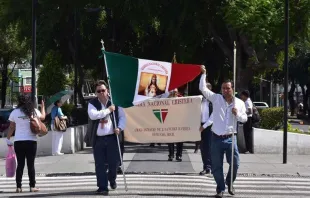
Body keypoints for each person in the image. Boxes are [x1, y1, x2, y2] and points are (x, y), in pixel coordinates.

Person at [199, 65, 247, 198]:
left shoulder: (239, 103)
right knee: (216, 166)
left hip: (231, 137)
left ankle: (229, 182)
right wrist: (204, 73)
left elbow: (244, 119)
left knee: (235, 163)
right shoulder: (216, 99)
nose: (225, 90)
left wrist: (237, 114)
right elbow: (203, 89)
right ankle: (220, 188)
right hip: (216, 137)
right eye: (223, 88)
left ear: (233, 89)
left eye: (228, 88)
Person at [86, 80, 126, 195]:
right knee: (100, 164)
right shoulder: (92, 103)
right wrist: (108, 110)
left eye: (103, 90)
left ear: (107, 91)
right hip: (98, 139)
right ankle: (102, 186)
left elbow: (123, 117)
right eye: (99, 91)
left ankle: (112, 178)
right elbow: (93, 115)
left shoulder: (115, 102)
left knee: (114, 163)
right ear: (96, 92)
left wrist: (119, 127)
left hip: (112, 138)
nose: (101, 93)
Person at [6, 94, 46, 193]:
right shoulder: (34, 111)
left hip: (18, 141)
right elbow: (43, 117)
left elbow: (11, 127)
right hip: (31, 141)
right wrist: (43, 107)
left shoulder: (14, 112)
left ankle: (18, 187)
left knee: (20, 164)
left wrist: (8, 138)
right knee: (30, 164)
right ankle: (32, 186)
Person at [199, 82, 214, 175]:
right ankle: (205, 166)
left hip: (209, 127)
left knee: (209, 147)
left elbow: (213, 117)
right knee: (203, 148)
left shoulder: (213, 102)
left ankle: (209, 167)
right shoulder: (199, 100)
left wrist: (204, 126)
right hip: (200, 126)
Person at [167, 88, 184, 162]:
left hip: (179, 122)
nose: (175, 93)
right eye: (173, 92)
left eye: (176, 92)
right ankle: (171, 155)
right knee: (170, 139)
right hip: (170, 121)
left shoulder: (181, 98)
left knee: (180, 140)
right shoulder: (167, 99)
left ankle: (179, 155)